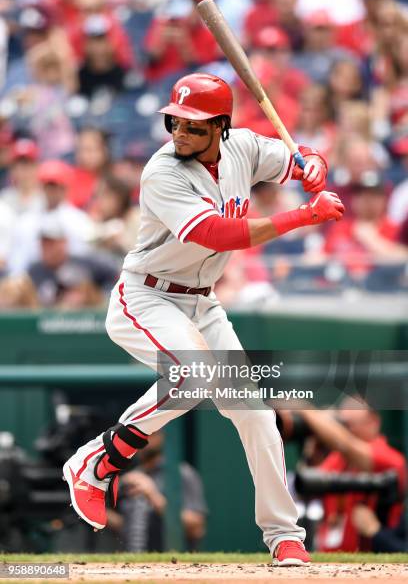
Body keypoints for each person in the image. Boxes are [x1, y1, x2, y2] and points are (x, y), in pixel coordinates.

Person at [62, 72, 344, 566]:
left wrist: (313, 165)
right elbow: (218, 234)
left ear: (221, 126)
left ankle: (284, 536)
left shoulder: (245, 148)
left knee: (256, 415)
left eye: (194, 126)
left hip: (202, 300)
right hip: (146, 296)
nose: (181, 133)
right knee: (192, 378)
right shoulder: (162, 171)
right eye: (176, 122)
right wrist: (302, 215)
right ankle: (99, 459)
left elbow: (299, 155)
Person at [294, 397, 406, 552]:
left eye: (348, 424)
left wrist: (306, 410)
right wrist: (312, 454)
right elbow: (306, 486)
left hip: (371, 558)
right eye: (342, 424)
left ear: (373, 422)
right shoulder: (338, 459)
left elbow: (347, 445)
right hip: (329, 557)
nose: (345, 429)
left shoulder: (390, 458)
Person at [107, 431, 207, 551]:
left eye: (149, 433)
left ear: (162, 436)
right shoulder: (130, 477)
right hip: (133, 562)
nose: (141, 440)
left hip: (173, 562)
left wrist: (153, 495)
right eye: (136, 436)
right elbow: (126, 526)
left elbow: (196, 528)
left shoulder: (181, 473)